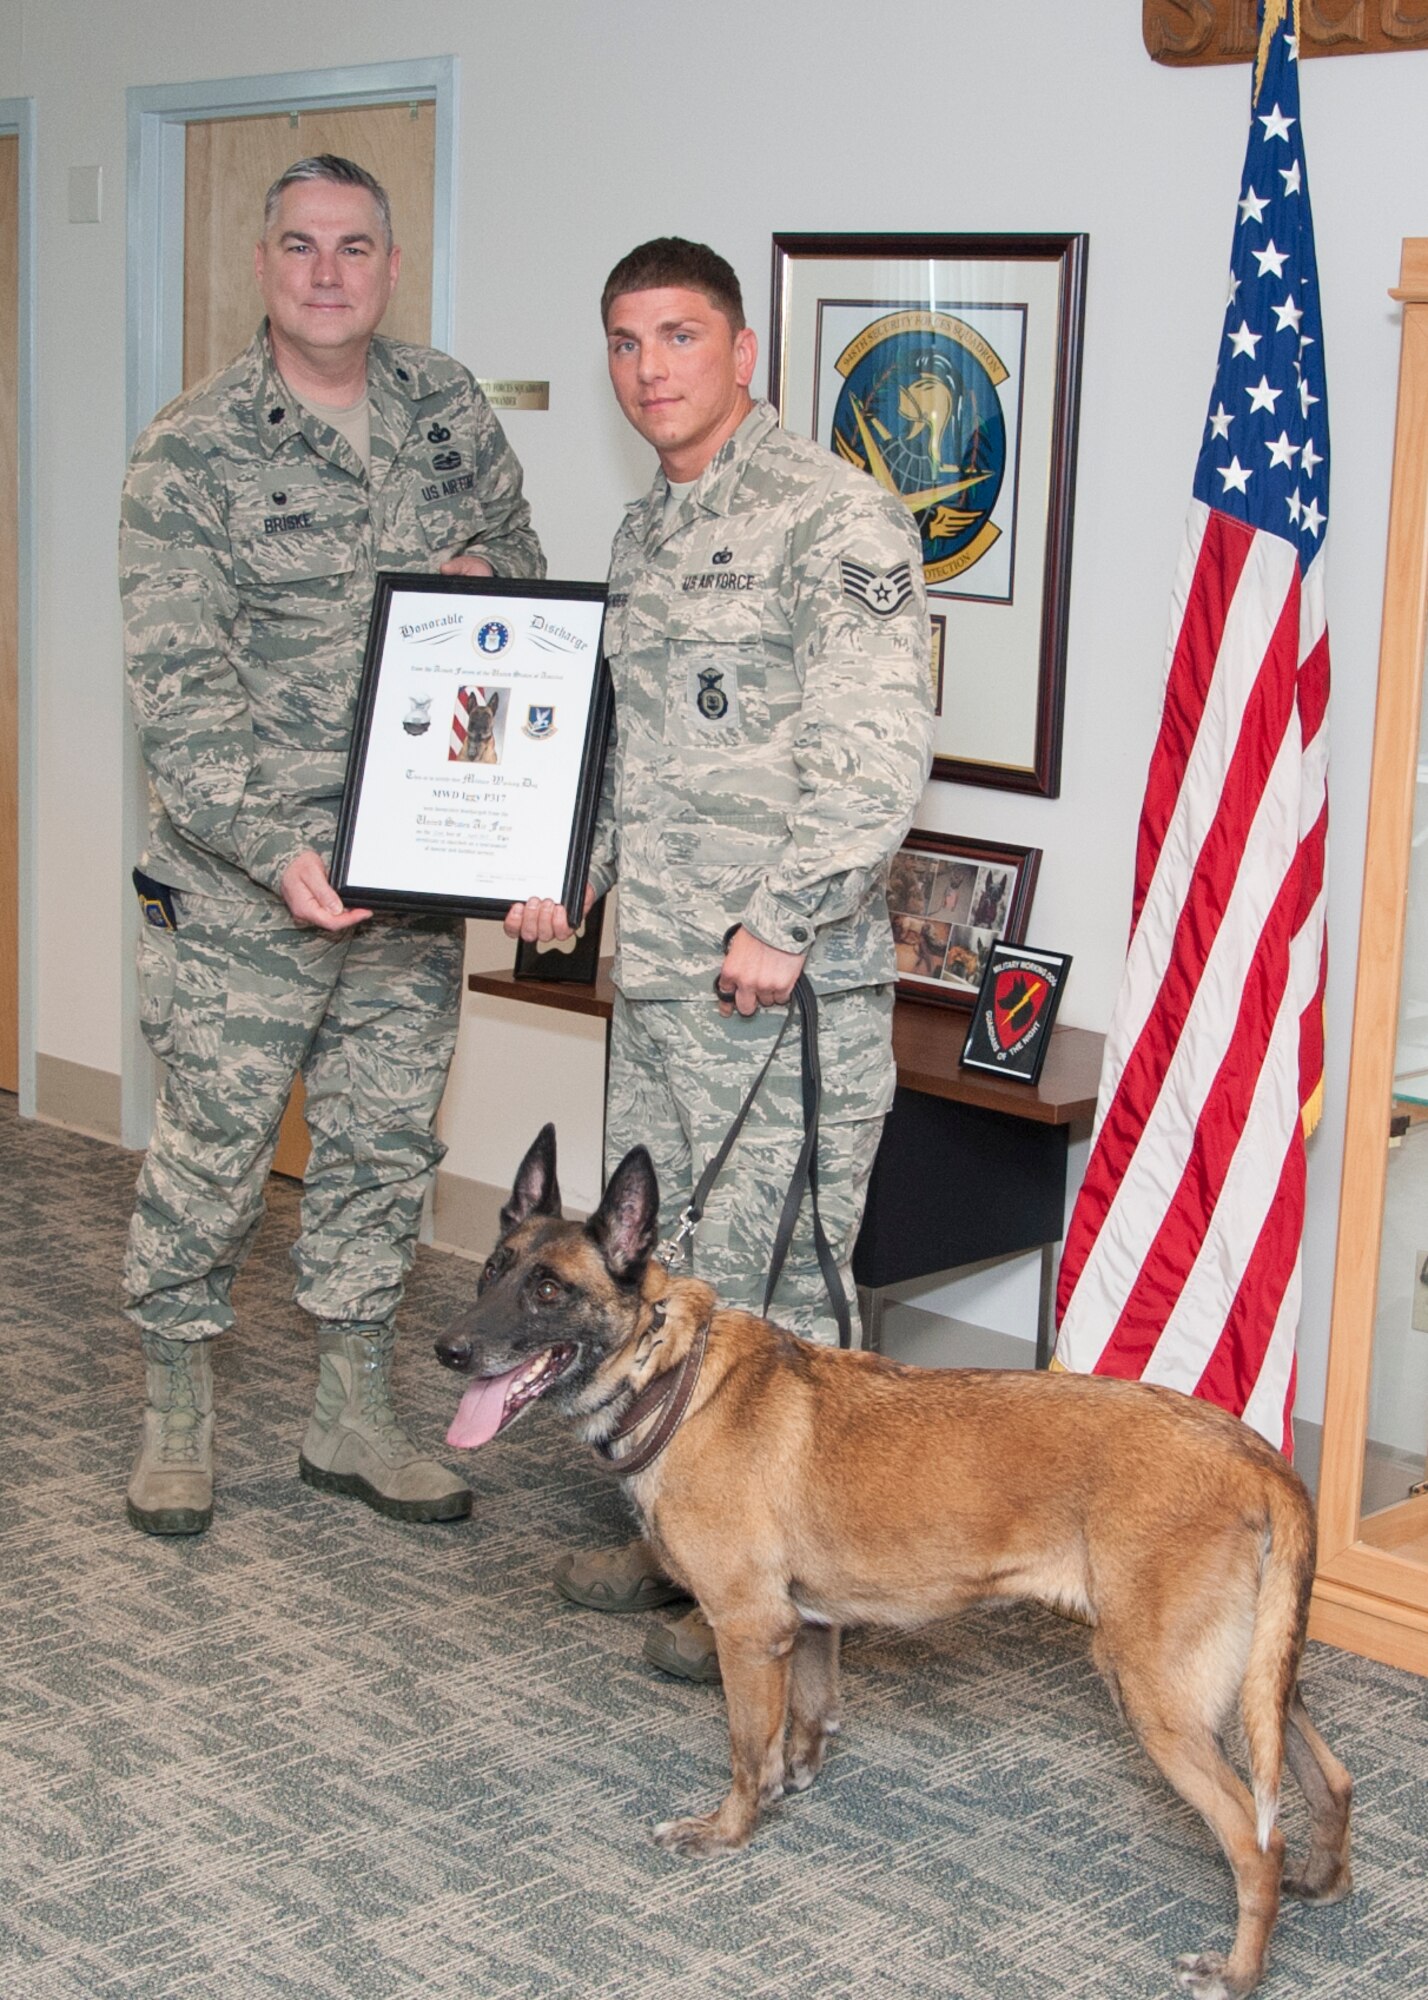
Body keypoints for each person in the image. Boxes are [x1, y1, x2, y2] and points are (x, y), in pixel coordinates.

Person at [506, 238, 933, 1680]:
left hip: (781, 997)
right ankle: (682, 1548)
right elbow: (635, 756)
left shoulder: (834, 519)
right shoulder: (647, 532)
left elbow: (877, 757)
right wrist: (577, 884)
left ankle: (797, 1616)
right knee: (664, 1286)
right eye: (626, 342)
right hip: (665, 989)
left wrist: (787, 917)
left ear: (743, 351)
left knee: (782, 1308)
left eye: (679, 337)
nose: (650, 370)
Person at [121, 155, 544, 1536]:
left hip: (415, 879)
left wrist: (498, 586)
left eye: (354, 246)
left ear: (390, 265)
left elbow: (537, 602)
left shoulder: (447, 411)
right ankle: (176, 1409)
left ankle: (349, 1419)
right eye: (300, 245)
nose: (326, 271)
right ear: (263, 267)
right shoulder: (191, 448)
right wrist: (271, 847)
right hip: (249, 887)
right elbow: (178, 695)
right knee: (214, 1151)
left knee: (378, 1148)